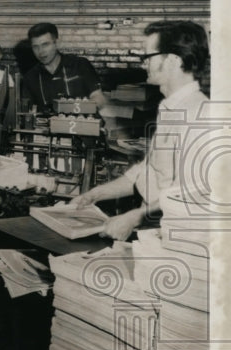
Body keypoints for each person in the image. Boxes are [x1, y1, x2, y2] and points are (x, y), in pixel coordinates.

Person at [71, 20, 209, 240]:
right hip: (156, 234)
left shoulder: (200, 116)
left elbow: (192, 195)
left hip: (182, 241)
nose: (144, 64)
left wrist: (135, 217)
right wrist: (95, 194)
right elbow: (145, 173)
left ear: (172, 60)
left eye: (148, 57)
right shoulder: (169, 108)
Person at [21, 22, 107, 112]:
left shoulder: (80, 65)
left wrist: (80, 110)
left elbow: (99, 98)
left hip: (84, 123)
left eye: (45, 45)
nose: (41, 51)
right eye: (35, 47)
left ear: (56, 43)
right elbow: (29, 111)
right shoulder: (30, 77)